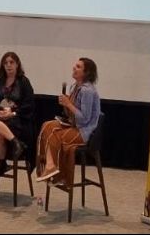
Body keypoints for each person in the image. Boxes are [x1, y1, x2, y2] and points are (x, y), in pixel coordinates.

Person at [36, 57, 101, 186]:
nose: (74, 68)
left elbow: (84, 120)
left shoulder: (87, 91)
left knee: (55, 135)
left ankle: (58, 174)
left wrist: (69, 104)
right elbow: (70, 114)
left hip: (84, 131)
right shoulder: (75, 87)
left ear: (86, 72)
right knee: (46, 126)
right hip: (74, 125)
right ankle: (50, 165)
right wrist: (66, 104)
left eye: (78, 67)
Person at [0, 52, 35, 177]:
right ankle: (15, 144)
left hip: (16, 119)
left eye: (11, 62)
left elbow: (29, 105)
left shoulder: (24, 82)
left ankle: (2, 162)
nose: (8, 65)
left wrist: (13, 112)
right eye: (6, 63)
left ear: (17, 64)